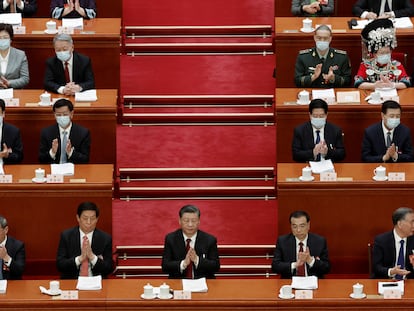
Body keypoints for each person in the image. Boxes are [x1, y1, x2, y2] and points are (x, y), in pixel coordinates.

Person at [56, 201, 112, 279]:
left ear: (97, 219)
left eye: (92, 218)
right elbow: (60, 265)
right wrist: (80, 259)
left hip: (96, 283)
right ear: (78, 218)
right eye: (85, 218)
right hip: (72, 282)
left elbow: (109, 268)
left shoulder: (105, 238)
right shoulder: (66, 236)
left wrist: (92, 257)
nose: (89, 222)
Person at [162, 205, 220, 279]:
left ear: (199, 221)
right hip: (178, 283)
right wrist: (183, 264)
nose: (190, 224)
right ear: (180, 221)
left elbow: (216, 267)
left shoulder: (209, 240)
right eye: (186, 221)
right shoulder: (171, 239)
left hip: (203, 283)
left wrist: (197, 260)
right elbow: (165, 266)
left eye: (194, 221)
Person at [272, 210, 330, 279]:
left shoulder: (319, 241)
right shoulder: (282, 241)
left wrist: (311, 261)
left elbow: (327, 268)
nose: (298, 230)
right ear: (291, 226)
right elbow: (275, 267)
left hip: (313, 282)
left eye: (302, 226)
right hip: (290, 282)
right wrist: (295, 265)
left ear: (308, 225)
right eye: (295, 226)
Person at [355, 18, 411, 89]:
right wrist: (374, 86)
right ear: (374, 54)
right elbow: (358, 83)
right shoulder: (366, 65)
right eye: (381, 53)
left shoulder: (396, 65)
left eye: (387, 52)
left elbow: (406, 82)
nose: (385, 55)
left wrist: (392, 85)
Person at [38, 98, 90, 164]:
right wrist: (52, 152)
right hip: (54, 170)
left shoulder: (83, 133)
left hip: (74, 170)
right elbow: (41, 159)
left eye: (65, 114)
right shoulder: (46, 132)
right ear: (54, 115)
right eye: (58, 115)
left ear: (71, 114)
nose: (62, 117)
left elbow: (85, 160)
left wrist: (71, 153)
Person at [372, 207, 414, 279]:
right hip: (386, 281)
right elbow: (376, 267)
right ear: (400, 224)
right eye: (412, 222)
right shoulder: (381, 240)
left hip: (409, 282)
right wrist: (391, 271)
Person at [0, 23, 29, 89]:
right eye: (0, 38)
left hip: (14, 91)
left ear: (10, 39)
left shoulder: (20, 55)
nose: (2, 40)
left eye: (5, 38)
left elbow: (25, 79)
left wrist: (9, 83)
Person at [0, 215, 25, 279]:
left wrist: (6, 257)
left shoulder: (17, 246)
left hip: (9, 284)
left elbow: (20, 271)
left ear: (6, 230)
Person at [0, 99, 23, 164]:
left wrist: (7, 155)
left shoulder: (13, 131)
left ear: (3, 114)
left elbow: (19, 156)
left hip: (5, 167)